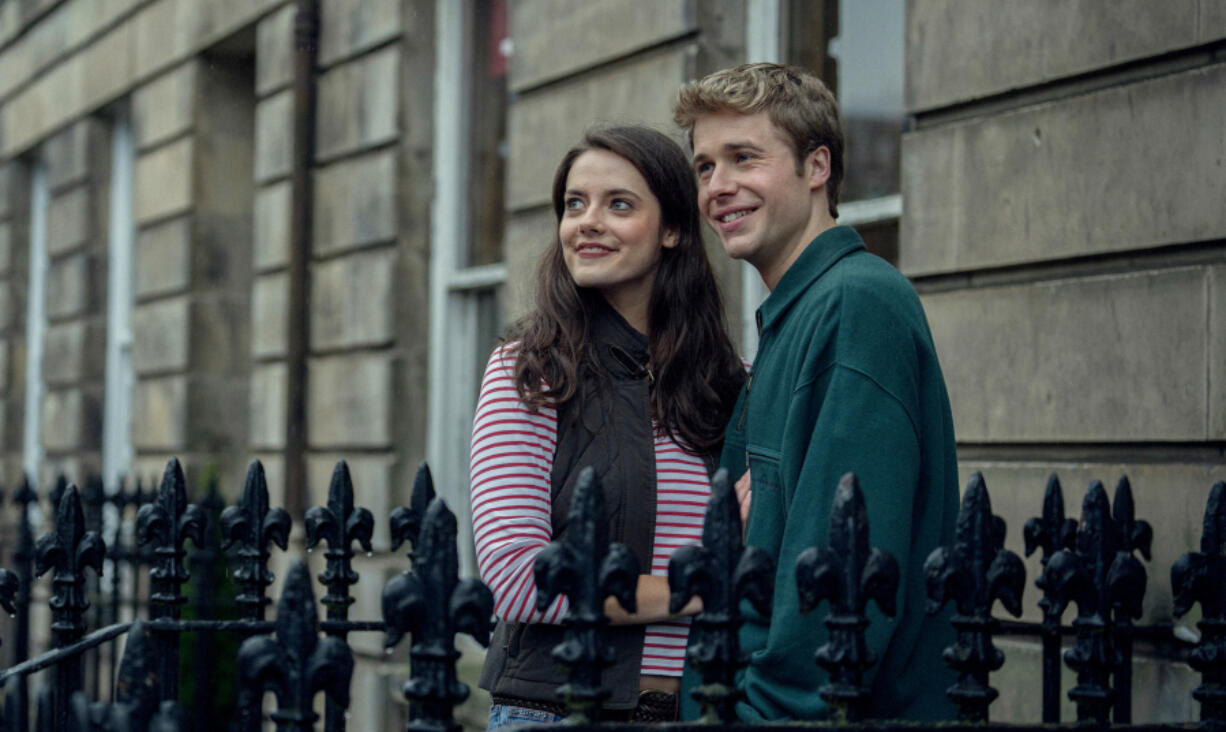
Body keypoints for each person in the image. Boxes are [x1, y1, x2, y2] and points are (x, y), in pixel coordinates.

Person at [672, 63, 958, 721]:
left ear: (817, 166)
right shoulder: (797, 313)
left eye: (744, 157)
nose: (719, 186)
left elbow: (837, 585)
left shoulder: (856, 306)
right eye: (705, 166)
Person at [470, 125, 746, 727]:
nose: (587, 222)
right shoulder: (531, 372)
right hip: (559, 710)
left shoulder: (729, 383)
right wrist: (692, 591)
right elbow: (519, 578)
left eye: (618, 204)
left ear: (672, 229)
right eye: (575, 204)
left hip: (704, 708)